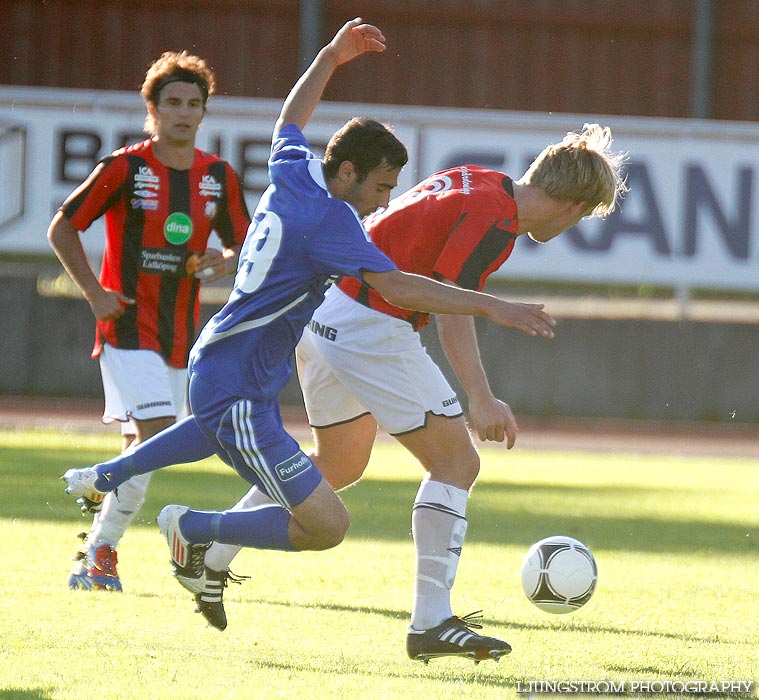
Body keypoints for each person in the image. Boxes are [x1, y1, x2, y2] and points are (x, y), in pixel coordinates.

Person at [62, 17, 557, 664]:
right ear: (348, 173)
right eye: (380, 188)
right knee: (328, 523)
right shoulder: (333, 224)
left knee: (315, 467)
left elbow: (288, 121)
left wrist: (329, 57)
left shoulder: (294, 173)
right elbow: (402, 289)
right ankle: (189, 527)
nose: (383, 202)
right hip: (241, 381)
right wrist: (494, 307)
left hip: (234, 367)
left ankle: (125, 488)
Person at [177, 124, 628, 659]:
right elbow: (451, 310)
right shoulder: (494, 221)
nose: (576, 223)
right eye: (582, 213)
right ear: (572, 202)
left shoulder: (481, 182)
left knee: (338, 464)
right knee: (457, 463)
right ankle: (431, 622)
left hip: (325, 314)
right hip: (369, 325)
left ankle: (212, 551)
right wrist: (480, 398)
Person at [49, 49, 250, 591]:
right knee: (158, 434)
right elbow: (63, 226)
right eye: (172, 102)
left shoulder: (218, 176)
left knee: (145, 445)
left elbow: (243, 244)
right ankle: (102, 553)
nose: (183, 112)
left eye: (194, 103)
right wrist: (94, 293)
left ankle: (93, 544)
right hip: (126, 327)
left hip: (182, 336)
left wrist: (224, 260)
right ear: (152, 108)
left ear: (204, 112)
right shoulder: (124, 167)